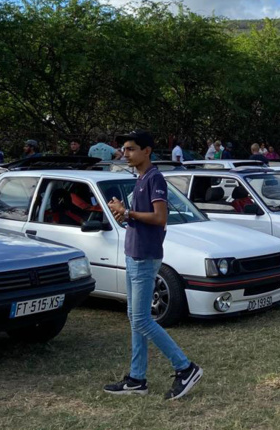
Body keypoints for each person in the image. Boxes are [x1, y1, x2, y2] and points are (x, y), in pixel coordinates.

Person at [105, 130, 203, 400]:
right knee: (135, 320)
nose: (125, 154)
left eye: (131, 149)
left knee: (142, 320)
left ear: (146, 151)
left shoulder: (154, 178)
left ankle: (185, 367)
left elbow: (160, 218)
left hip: (145, 258)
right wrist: (124, 214)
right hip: (134, 254)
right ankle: (137, 379)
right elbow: (142, 220)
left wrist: (128, 212)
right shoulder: (140, 179)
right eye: (124, 149)